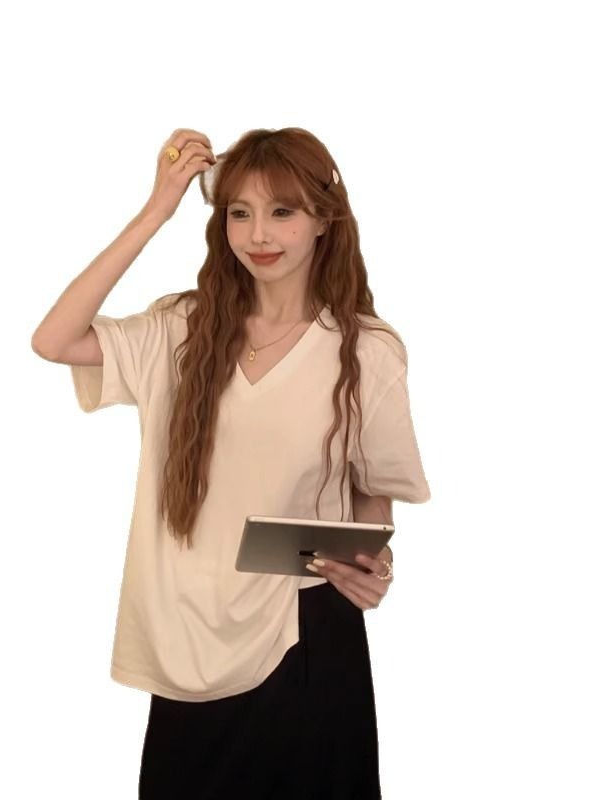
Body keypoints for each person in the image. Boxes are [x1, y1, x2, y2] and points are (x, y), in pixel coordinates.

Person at [31, 127, 431, 799]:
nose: (258, 234)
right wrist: (156, 211)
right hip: (188, 642)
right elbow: (54, 338)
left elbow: (374, 488)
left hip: (306, 633)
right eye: (239, 212)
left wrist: (373, 562)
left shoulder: (366, 350)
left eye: (283, 211)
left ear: (324, 219)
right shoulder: (181, 328)